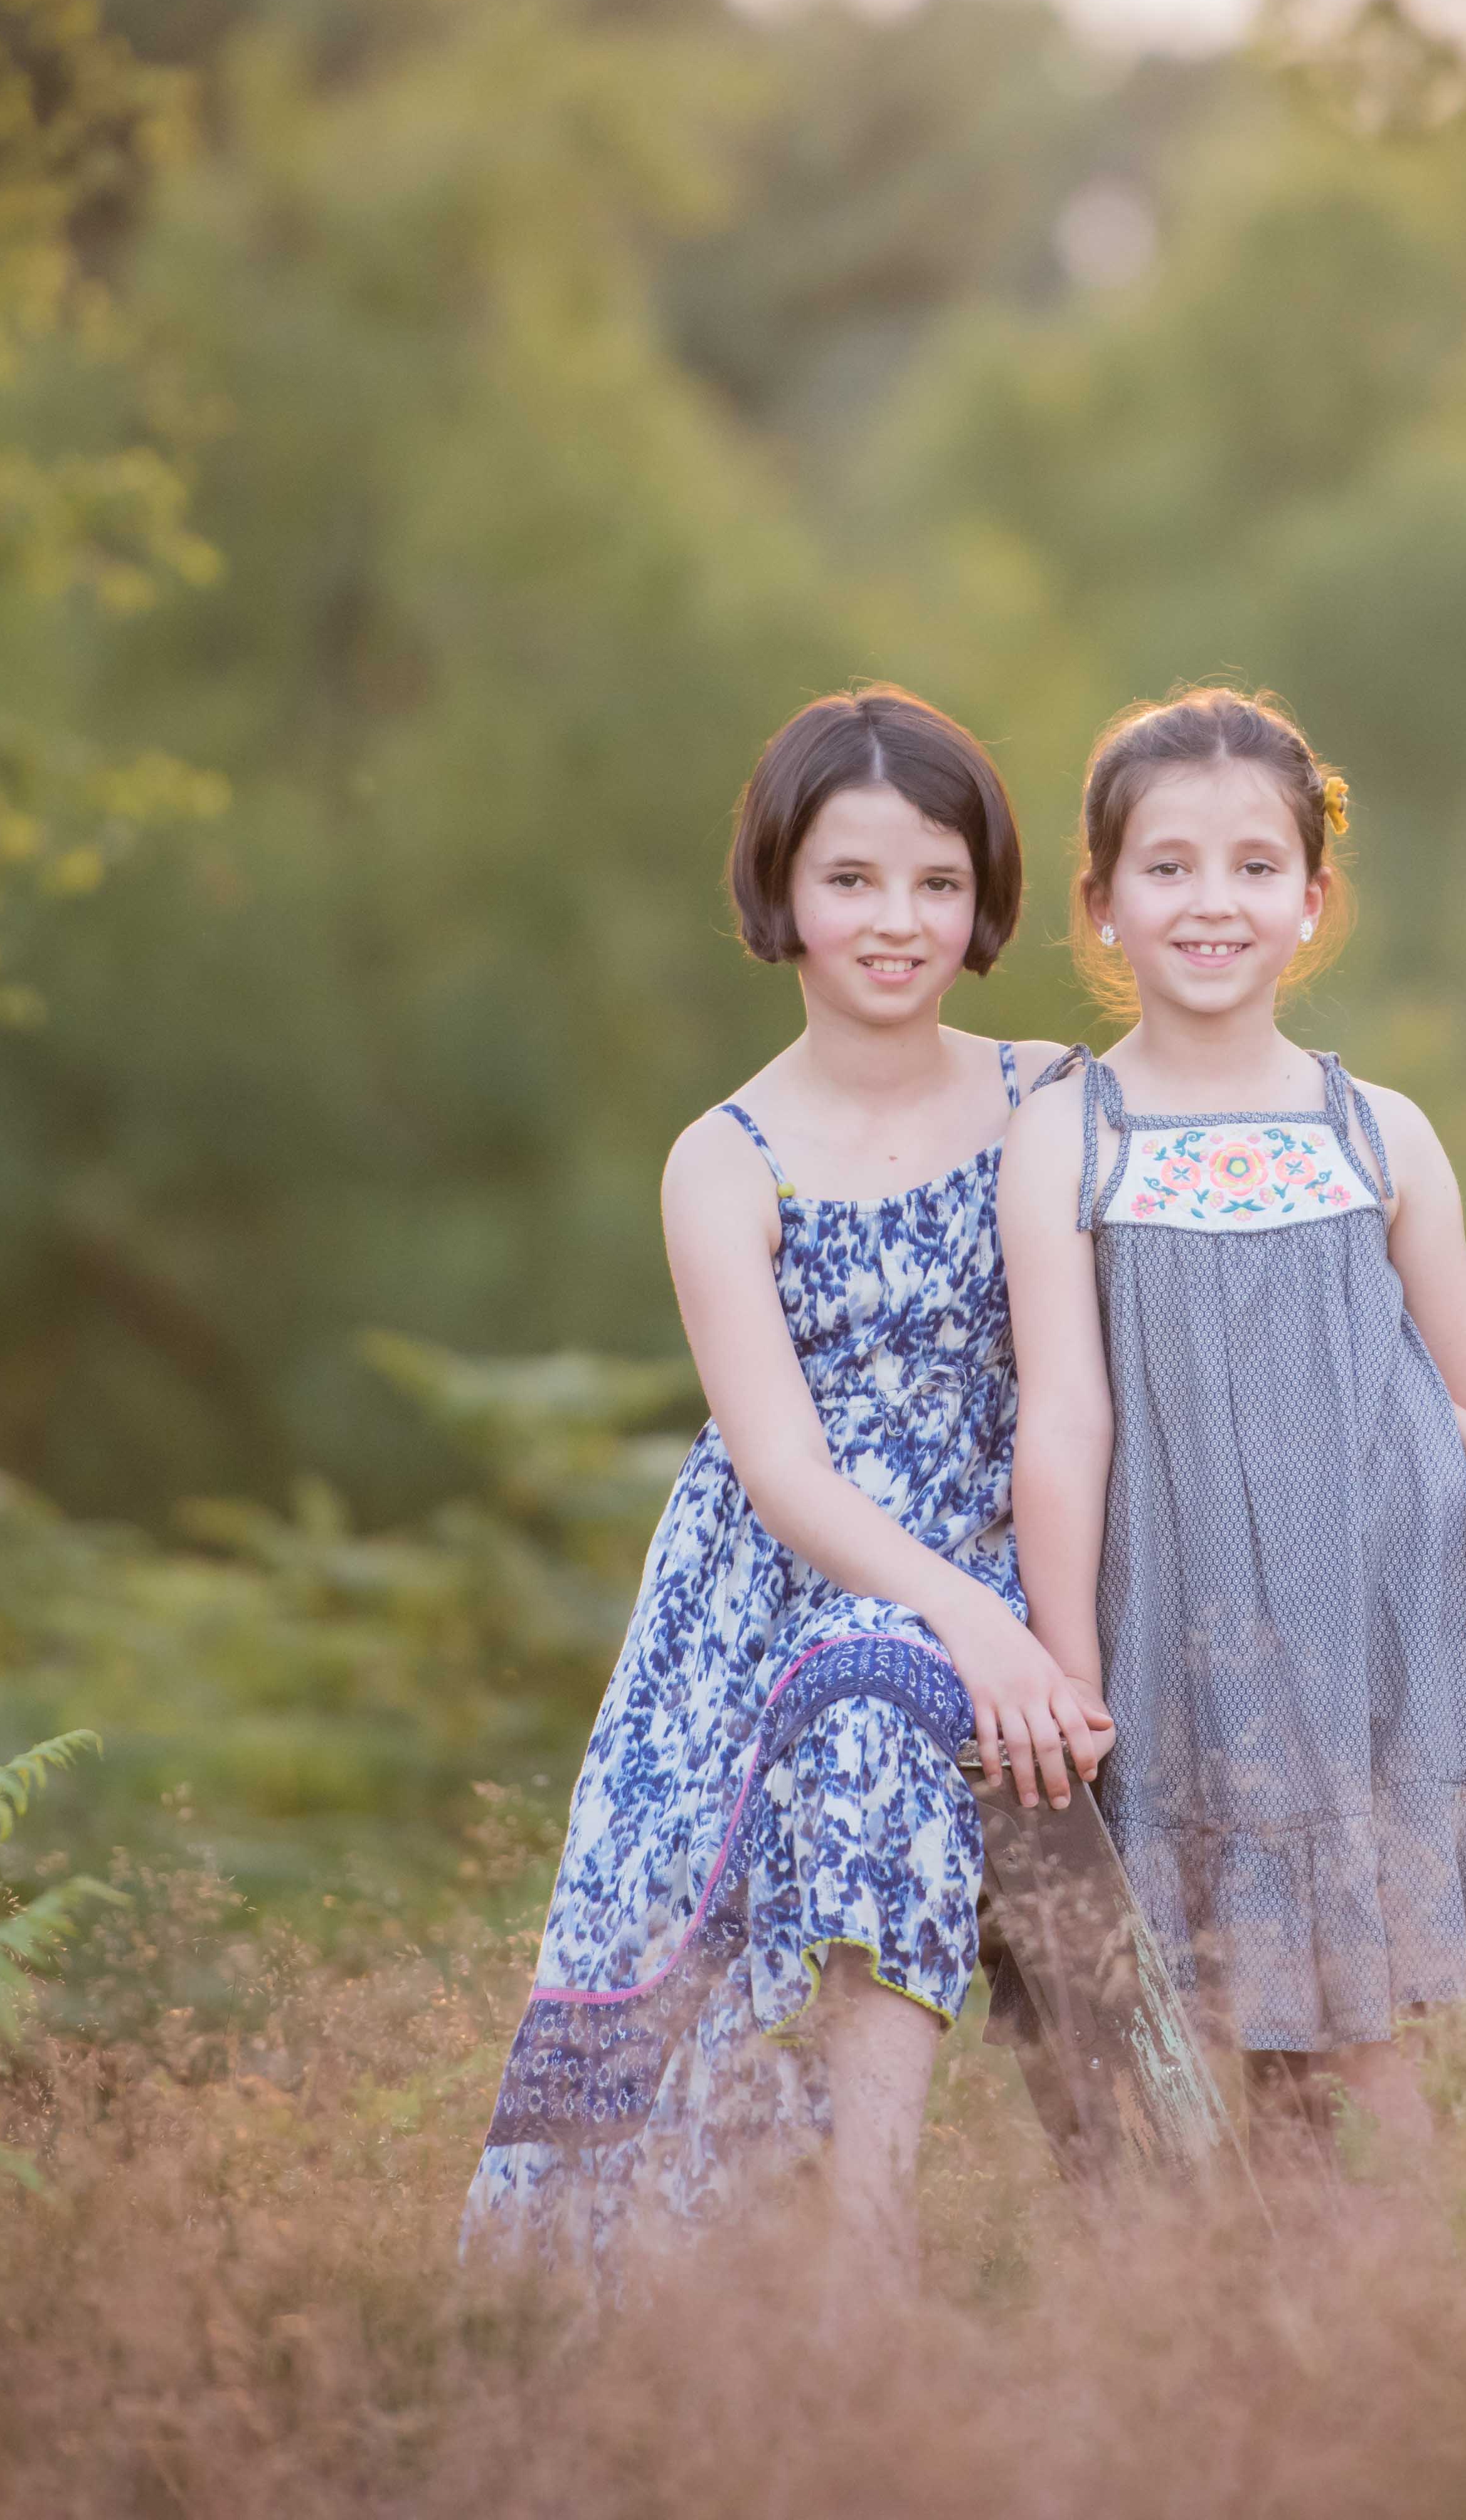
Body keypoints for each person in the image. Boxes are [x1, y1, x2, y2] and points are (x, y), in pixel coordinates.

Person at [460, 686, 1115, 2289]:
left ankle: (883, 2238)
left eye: (937, 883)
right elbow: (778, 1463)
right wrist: (967, 1623)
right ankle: (847, 2259)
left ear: (982, 905)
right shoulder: (725, 1155)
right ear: (781, 891)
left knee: (881, 1689)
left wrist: (1459, 1421)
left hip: (1025, 1532)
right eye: (851, 879)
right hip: (789, 1576)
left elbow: (1211, 1289)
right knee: (857, 1696)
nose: (896, 920)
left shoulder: (1049, 1090)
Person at [1001, 686, 1466, 2183]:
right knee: (1183, 2048)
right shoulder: (1071, 1131)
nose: (1213, 902)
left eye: (1255, 866)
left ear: (1312, 900)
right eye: (1168, 867)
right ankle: (1216, 2364)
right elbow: (1063, 1414)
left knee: (1355, 2045)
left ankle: (1390, 2362)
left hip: (1381, 1635)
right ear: (1103, 903)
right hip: (1172, 1638)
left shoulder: (1374, 1126)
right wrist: (1066, 1666)